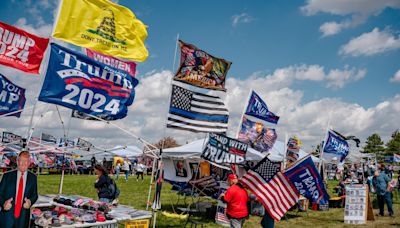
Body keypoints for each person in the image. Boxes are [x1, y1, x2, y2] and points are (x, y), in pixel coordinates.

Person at [0, 151, 38, 228]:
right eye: (21, 160)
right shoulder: (7, 176)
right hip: (7, 217)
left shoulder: (33, 178)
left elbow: (35, 194)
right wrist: (3, 203)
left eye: (26, 161)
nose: (23, 163)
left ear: (29, 162)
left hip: (23, 218)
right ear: (17, 161)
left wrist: (30, 202)